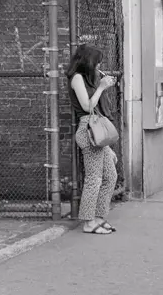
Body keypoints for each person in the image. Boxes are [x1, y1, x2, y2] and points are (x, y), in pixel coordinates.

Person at [66, 44, 118, 235]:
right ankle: (88, 222)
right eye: (96, 63)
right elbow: (88, 106)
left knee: (110, 176)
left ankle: (98, 217)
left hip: (97, 130)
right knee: (94, 179)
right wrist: (102, 87)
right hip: (88, 129)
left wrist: (108, 148)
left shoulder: (88, 79)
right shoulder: (77, 78)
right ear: (88, 61)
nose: (98, 66)